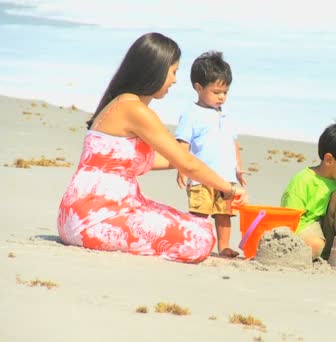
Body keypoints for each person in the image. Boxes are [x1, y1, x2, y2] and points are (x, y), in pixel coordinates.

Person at [57, 33, 247, 263]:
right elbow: (185, 163)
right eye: (173, 72)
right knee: (199, 238)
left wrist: (199, 158)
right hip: (95, 218)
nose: (175, 80)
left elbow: (172, 160)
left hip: (80, 212)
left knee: (198, 224)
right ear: (155, 70)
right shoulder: (136, 110)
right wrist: (228, 188)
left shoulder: (119, 102)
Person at [174, 51, 245, 258]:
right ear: (198, 88)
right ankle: (195, 242)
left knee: (224, 214)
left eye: (225, 92)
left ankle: (223, 246)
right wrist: (181, 168)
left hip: (226, 177)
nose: (222, 97)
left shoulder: (225, 115)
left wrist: (238, 169)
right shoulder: (191, 114)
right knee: (199, 212)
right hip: (201, 175)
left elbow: (233, 143)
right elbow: (182, 143)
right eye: (216, 92)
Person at [280, 121, 336, 260]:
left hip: (330, 235)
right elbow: (290, 219)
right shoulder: (304, 179)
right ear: (328, 159)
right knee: (315, 244)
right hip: (305, 229)